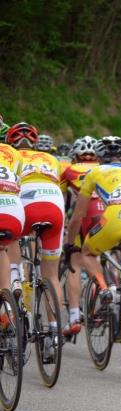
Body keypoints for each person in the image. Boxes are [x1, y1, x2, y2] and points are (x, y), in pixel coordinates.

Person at [64, 136, 121, 361]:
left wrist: (70, 244)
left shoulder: (95, 172)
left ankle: (104, 289)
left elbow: (78, 216)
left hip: (114, 218)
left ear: (100, 157)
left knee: (87, 252)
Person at [6, 123, 66, 328]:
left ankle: (15, 278)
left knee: (11, 239)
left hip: (26, 203)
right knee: (52, 275)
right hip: (54, 205)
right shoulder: (52, 159)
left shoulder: (11, 156)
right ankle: (55, 332)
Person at [60, 135, 101, 335]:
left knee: (74, 264)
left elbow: (62, 203)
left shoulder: (70, 170)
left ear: (75, 156)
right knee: (101, 258)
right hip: (108, 217)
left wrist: (65, 227)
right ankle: (114, 296)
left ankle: (74, 317)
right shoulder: (105, 169)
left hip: (83, 217)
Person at [0, 119, 26, 291]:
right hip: (14, 210)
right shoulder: (14, 153)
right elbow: (18, 185)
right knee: (2, 248)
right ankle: (9, 293)